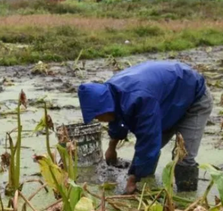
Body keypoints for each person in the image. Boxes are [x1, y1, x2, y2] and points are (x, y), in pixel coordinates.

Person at [77, 61, 212, 194]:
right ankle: (147, 182)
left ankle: (187, 198)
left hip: (194, 97)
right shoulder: (111, 94)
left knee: (183, 157)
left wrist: (132, 180)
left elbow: (148, 141)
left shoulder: (140, 99)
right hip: (168, 101)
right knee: (150, 149)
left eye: (97, 116)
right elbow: (117, 119)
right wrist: (112, 148)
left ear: (104, 108)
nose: (98, 120)